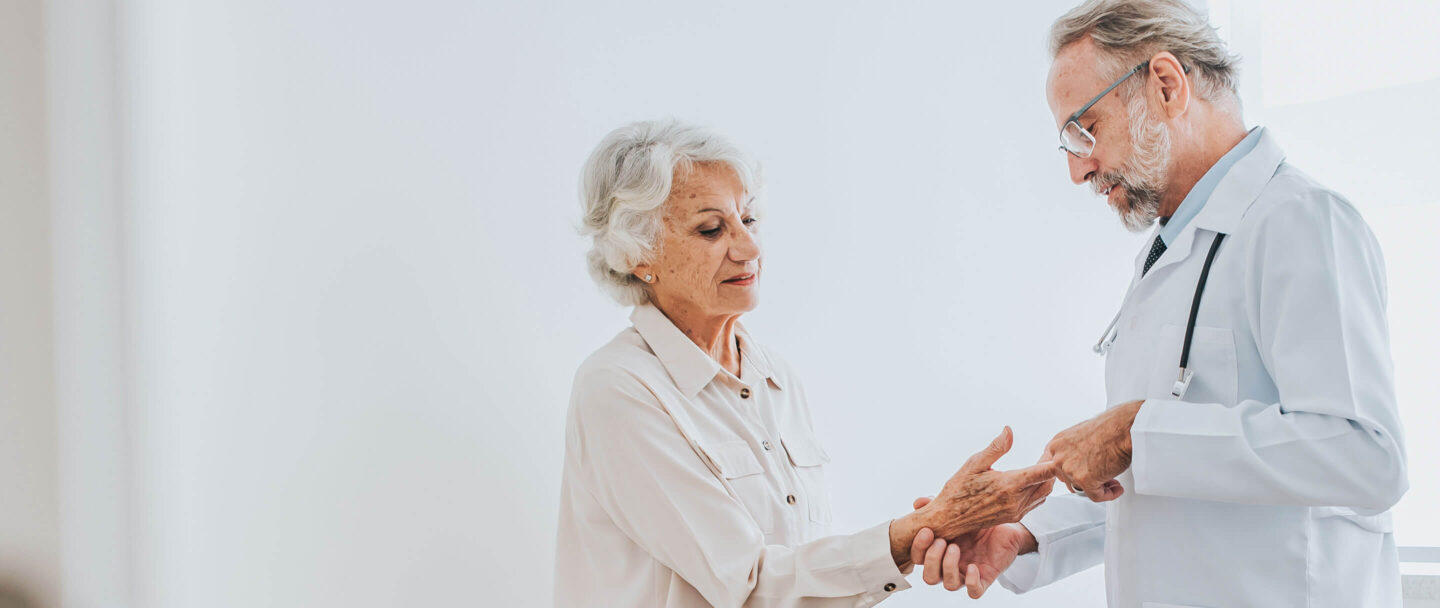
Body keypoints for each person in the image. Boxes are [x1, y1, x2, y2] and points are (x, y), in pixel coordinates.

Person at [910, 0, 1410, 605]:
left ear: (1167, 84)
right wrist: (1025, 536)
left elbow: (1364, 456)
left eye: (1085, 127)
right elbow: (1172, 482)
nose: (1078, 169)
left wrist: (1133, 432)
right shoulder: (1173, 250)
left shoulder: (1299, 222)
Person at [552, 120, 1055, 607]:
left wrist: (932, 529)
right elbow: (747, 586)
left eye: (748, 220)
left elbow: (802, 574)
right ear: (640, 255)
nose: (749, 248)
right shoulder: (617, 389)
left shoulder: (774, 377)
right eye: (711, 229)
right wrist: (924, 528)